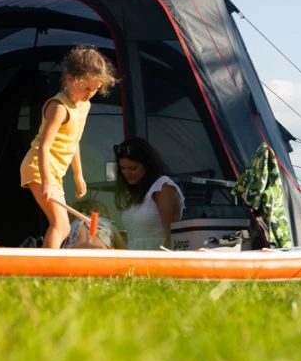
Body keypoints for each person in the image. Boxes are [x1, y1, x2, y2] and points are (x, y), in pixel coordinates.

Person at [20, 45, 117, 248]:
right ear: (70, 79)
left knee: (62, 226)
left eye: (96, 89)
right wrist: (47, 180)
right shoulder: (59, 107)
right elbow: (44, 147)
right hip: (39, 166)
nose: (90, 93)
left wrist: (78, 175)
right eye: (86, 88)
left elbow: (74, 141)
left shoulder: (84, 105)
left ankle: (48, 262)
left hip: (54, 172)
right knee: (60, 225)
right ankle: (47, 265)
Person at [113, 137, 185, 250]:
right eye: (123, 168)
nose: (127, 173)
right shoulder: (134, 191)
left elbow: (172, 236)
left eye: (133, 168)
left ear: (147, 165)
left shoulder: (162, 187)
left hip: (157, 255)